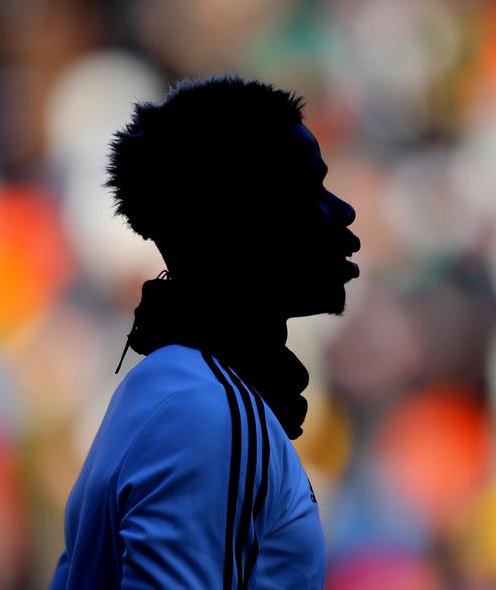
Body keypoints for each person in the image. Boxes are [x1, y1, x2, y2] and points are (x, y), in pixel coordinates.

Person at [50, 75, 359, 590]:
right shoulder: (207, 408)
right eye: (310, 190)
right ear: (246, 222)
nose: (343, 212)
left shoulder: (171, 388)